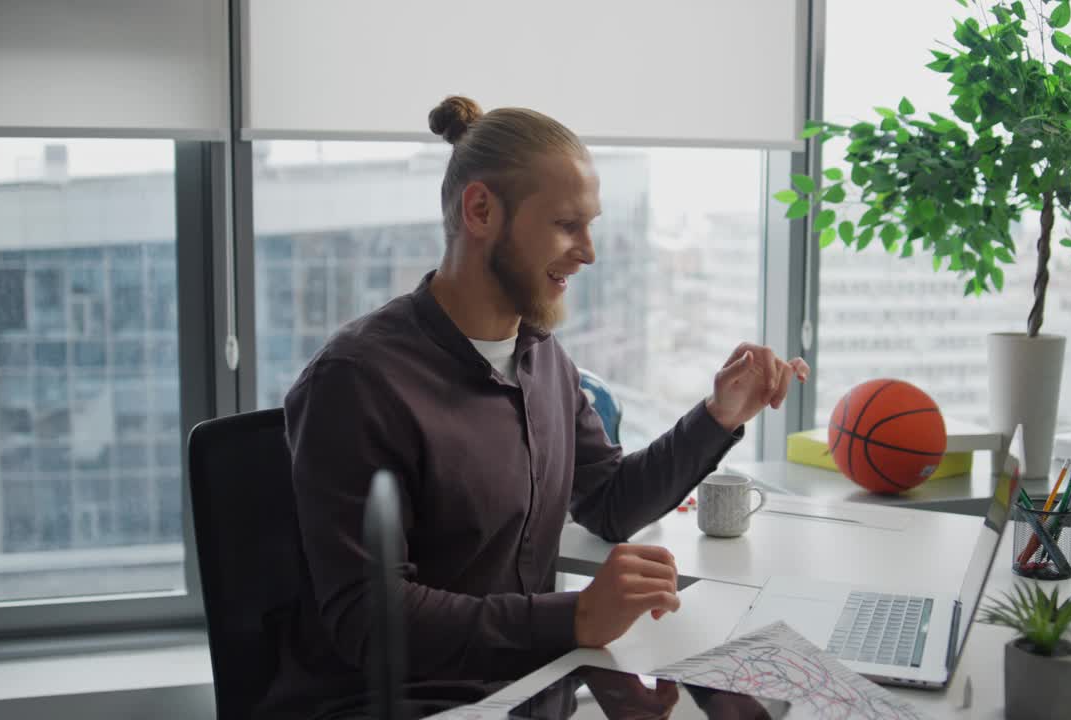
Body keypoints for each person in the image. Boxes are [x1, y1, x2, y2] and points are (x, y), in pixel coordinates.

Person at [261, 95, 809, 719]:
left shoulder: (544, 360)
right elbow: (367, 616)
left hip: (532, 696)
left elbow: (607, 501)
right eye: (566, 225)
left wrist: (718, 417)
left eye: (591, 224)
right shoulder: (356, 382)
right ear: (481, 210)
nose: (589, 251)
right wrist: (574, 619)